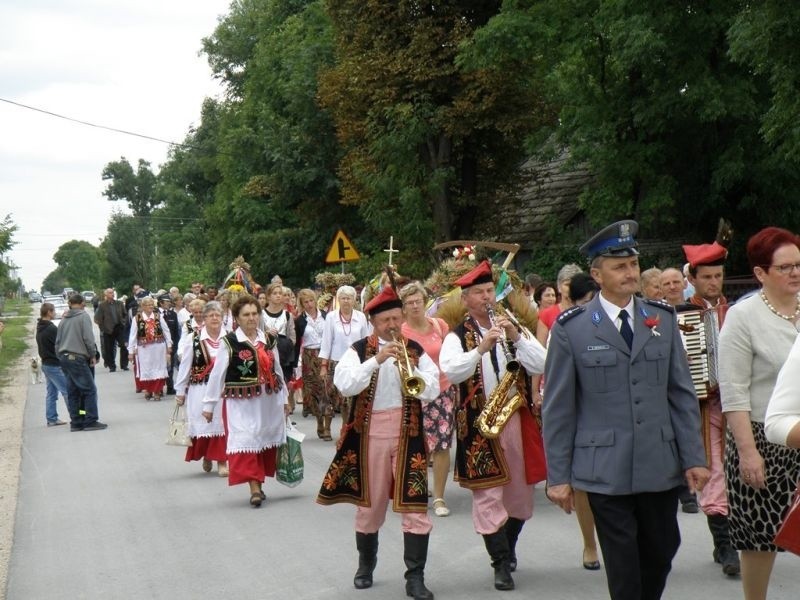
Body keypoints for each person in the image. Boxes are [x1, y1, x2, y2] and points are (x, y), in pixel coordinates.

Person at [542, 220, 709, 600]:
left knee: (662, 549)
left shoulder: (662, 320)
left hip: (658, 460)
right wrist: (558, 476)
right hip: (604, 467)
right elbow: (559, 407)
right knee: (622, 562)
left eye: (633, 264)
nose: (630, 272)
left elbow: (681, 394)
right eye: (619, 266)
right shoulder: (574, 328)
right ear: (596, 274)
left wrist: (693, 457)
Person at [317, 286, 440, 600]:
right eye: (386, 320)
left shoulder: (414, 349)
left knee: (415, 507)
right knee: (370, 508)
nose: (393, 325)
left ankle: (415, 578)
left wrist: (413, 375)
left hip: (407, 434)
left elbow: (433, 388)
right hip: (370, 436)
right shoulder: (358, 350)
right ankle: (365, 565)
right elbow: (344, 385)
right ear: (373, 321)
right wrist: (377, 361)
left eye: (396, 318)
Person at [439, 260, 547, 591]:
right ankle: (500, 563)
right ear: (466, 299)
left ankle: (508, 547)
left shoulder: (512, 326)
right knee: (488, 494)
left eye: (490, 291)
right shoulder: (458, 335)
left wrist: (516, 335)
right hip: (479, 423)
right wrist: (480, 350)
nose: (487, 297)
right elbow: (451, 371)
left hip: (515, 417)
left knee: (520, 495)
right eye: (479, 292)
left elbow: (542, 362)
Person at [720, 227, 800, 600]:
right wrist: (748, 452)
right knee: (759, 539)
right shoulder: (743, 316)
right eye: (784, 267)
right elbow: (734, 392)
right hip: (761, 442)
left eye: (799, 265)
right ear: (760, 273)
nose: (795, 273)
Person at [682, 239, 740, 576]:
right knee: (714, 472)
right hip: (702, 405)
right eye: (707, 277)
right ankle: (725, 546)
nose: (714, 282)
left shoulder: (737, 312)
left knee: (739, 472)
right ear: (694, 277)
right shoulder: (678, 316)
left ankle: (740, 538)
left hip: (738, 404)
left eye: (718, 276)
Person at [203, 294, 289, 507]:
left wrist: (285, 398)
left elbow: (277, 369)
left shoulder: (268, 339)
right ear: (237, 318)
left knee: (262, 440)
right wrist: (209, 405)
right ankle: (254, 488)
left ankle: (258, 480)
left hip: (267, 401)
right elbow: (217, 375)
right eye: (246, 315)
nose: (251, 318)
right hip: (241, 402)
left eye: (254, 314)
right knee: (247, 439)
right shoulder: (230, 343)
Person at [400, 281, 456, 518]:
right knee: (419, 444)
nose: (415, 306)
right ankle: (419, 488)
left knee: (442, 444)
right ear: (403, 307)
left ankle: (440, 496)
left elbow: (452, 354)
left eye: (418, 301)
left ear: (425, 302)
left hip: (443, 391)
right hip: (415, 395)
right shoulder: (401, 332)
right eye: (409, 303)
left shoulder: (439, 325)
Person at [175, 301, 228, 476]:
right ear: (203, 318)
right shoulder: (194, 339)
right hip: (200, 388)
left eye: (218, 315)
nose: (215, 318)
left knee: (222, 423)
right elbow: (185, 366)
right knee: (205, 423)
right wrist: (180, 391)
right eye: (211, 315)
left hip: (222, 390)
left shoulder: (229, 338)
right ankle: (207, 455)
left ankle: (222, 461)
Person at [319, 285, 371, 438]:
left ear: (354, 300)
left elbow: (366, 341)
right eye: (343, 298)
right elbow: (326, 342)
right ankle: (327, 427)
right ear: (338, 300)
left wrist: (366, 362)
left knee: (348, 399)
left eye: (349, 298)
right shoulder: (331, 317)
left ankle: (345, 428)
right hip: (336, 362)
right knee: (331, 395)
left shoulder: (361, 317)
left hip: (354, 363)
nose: (346, 301)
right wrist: (323, 365)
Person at [56, 293, 107, 431]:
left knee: (73, 391)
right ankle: (90, 420)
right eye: (84, 302)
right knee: (89, 390)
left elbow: (58, 342)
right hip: (77, 357)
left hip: (65, 357)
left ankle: (76, 421)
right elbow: (88, 338)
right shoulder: (83, 316)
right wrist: (92, 354)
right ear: (82, 302)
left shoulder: (63, 319)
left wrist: (60, 357)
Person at [293, 289, 327, 431]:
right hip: (309, 356)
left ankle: (328, 423)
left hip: (325, 354)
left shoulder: (326, 316)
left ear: (315, 300)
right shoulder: (300, 321)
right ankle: (319, 420)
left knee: (327, 388)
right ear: (302, 304)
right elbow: (296, 343)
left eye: (311, 300)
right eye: (305, 302)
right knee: (315, 390)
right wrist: (294, 364)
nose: (309, 304)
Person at [127, 296, 173, 401]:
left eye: (152, 305)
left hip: (158, 347)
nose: (150, 307)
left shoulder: (158, 316)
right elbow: (132, 335)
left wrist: (169, 345)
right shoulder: (137, 318)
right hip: (144, 348)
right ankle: (148, 390)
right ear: (142, 306)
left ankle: (157, 390)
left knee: (159, 367)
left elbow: (166, 331)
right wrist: (130, 351)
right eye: (148, 305)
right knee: (146, 368)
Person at [260, 282, 296, 398]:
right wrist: (266, 334)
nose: (278, 296)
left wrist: (288, 343)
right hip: (267, 353)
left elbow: (292, 334)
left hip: (284, 353)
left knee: (283, 382)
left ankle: (284, 408)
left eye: (280, 293)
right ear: (269, 296)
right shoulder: (261, 314)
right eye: (275, 293)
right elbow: (257, 333)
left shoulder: (287, 315)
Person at [36, 302, 68, 427]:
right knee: (67, 391)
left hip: (46, 363)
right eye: (53, 311)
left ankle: (51, 418)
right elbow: (60, 344)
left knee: (51, 393)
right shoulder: (51, 328)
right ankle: (77, 416)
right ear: (49, 312)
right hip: (54, 364)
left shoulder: (40, 327)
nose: (55, 313)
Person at [535, 263, 583, 345]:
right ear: (559, 287)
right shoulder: (546, 314)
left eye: (575, 284)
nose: (571, 288)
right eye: (567, 284)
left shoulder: (588, 311)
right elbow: (541, 350)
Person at [94, 288, 129, 372]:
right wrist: (103, 328)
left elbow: (125, 314)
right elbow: (97, 318)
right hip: (108, 329)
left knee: (124, 346)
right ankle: (112, 366)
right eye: (110, 293)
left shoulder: (119, 303)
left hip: (119, 327)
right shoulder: (102, 305)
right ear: (106, 295)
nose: (112, 294)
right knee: (109, 349)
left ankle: (124, 365)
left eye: (112, 293)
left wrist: (123, 322)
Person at [158, 294, 181, 395]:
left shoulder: (173, 314)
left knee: (169, 366)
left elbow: (176, 332)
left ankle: (170, 387)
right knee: (159, 366)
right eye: (166, 301)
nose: (168, 303)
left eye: (169, 301)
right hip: (158, 344)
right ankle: (159, 388)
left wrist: (175, 345)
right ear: (161, 302)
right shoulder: (155, 314)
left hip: (170, 345)